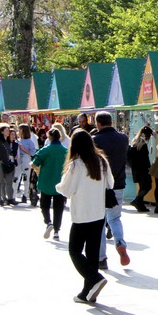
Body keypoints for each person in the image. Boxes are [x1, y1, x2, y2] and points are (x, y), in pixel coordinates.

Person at [56, 130, 114, 304]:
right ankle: (88, 292)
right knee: (92, 252)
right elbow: (110, 183)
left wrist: (58, 186)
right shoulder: (101, 161)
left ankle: (95, 279)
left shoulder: (76, 165)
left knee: (74, 251)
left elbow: (66, 190)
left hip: (81, 214)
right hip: (98, 213)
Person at [92, 111, 131, 269]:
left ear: (98, 124)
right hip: (118, 183)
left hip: (100, 185)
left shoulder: (95, 140)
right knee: (115, 218)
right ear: (112, 122)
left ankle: (101, 258)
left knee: (99, 222)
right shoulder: (123, 138)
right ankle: (120, 242)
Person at [32, 128, 68, 241]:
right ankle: (57, 230)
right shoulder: (66, 151)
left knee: (44, 205)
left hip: (46, 181)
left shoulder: (45, 150)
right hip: (61, 182)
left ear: (50, 137)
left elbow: (34, 163)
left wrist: (38, 171)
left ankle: (48, 222)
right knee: (59, 208)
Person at [128, 126, 153, 213]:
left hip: (136, 169)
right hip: (143, 170)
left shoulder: (135, 142)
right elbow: (145, 159)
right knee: (148, 186)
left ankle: (140, 205)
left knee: (142, 187)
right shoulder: (143, 145)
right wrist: (149, 167)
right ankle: (137, 200)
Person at [14, 124, 38, 204]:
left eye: (20, 129)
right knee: (16, 177)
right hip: (18, 160)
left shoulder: (30, 141)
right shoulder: (17, 140)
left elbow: (32, 153)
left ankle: (25, 194)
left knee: (26, 178)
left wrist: (23, 149)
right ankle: (13, 195)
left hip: (26, 160)